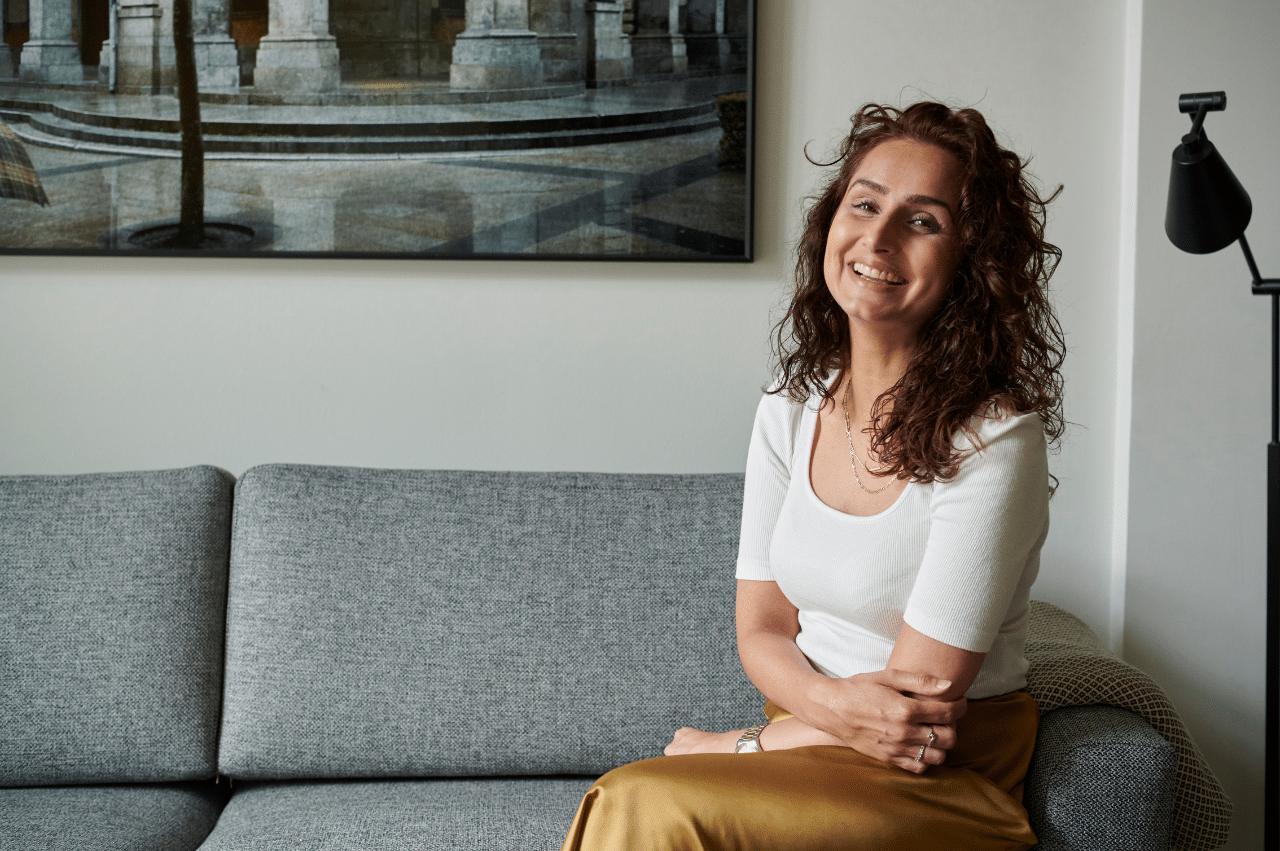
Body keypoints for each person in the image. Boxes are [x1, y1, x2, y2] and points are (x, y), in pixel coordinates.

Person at [560, 101, 1066, 851]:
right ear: (831, 223)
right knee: (637, 800)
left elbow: (909, 717)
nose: (878, 237)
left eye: (922, 221)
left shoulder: (995, 441)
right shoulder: (790, 407)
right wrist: (797, 722)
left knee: (640, 803)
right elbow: (761, 630)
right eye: (864, 204)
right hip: (809, 747)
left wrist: (739, 746)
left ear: (972, 261)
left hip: (939, 780)